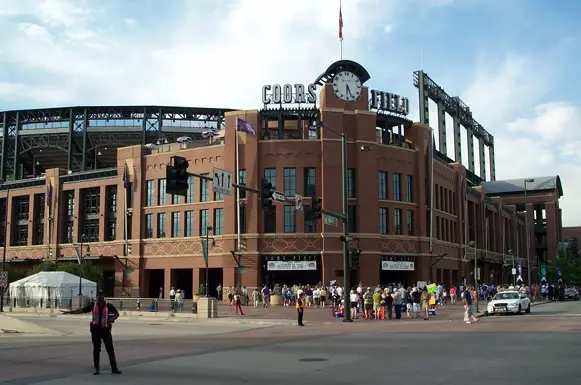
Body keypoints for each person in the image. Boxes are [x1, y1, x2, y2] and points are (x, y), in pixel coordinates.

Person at [62, 291, 122, 375]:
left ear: (104, 296)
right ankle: (97, 368)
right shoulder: (93, 305)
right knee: (96, 350)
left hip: (105, 330)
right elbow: (82, 310)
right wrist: (69, 312)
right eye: (98, 296)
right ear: (97, 297)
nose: (100, 297)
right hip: (95, 330)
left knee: (110, 349)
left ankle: (114, 368)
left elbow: (117, 314)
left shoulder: (109, 305)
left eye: (101, 295)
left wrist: (110, 320)